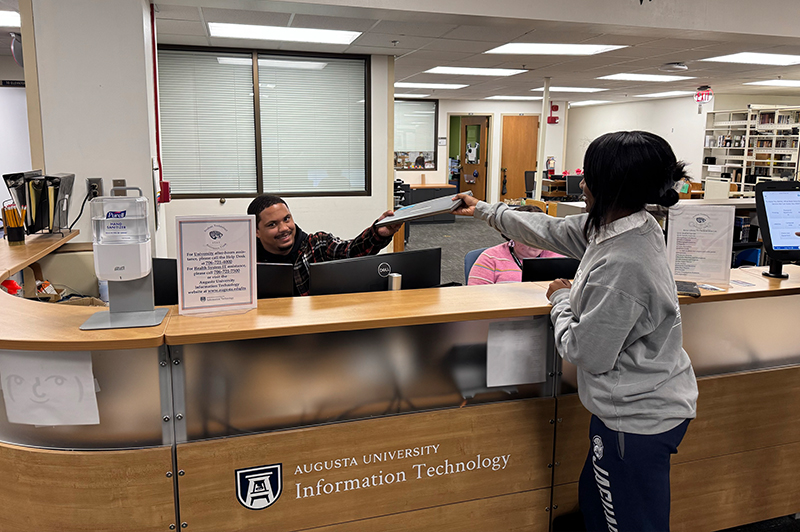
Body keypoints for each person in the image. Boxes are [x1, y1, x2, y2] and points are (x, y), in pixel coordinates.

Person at [453, 131, 698, 532]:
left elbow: (586, 352)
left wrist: (562, 300)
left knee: (631, 522)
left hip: (636, 419)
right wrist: (484, 209)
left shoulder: (622, 265)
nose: (580, 184)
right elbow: (550, 230)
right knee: (595, 505)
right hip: (635, 409)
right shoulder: (631, 224)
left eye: (589, 176)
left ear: (611, 186)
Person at [247, 195, 402, 296]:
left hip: (315, 332)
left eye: (287, 219)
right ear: (256, 231)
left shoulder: (317, 244)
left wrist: (377, 233)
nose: (284, 229)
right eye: (272, 224)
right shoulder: (246, 262)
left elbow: (351, 250)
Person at [467, 205, 562, 285]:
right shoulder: (490, 258)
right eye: (528, 235)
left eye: (540, 234)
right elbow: (475, 297)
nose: (537, 241)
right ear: (512, 235)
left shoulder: (559, 257)